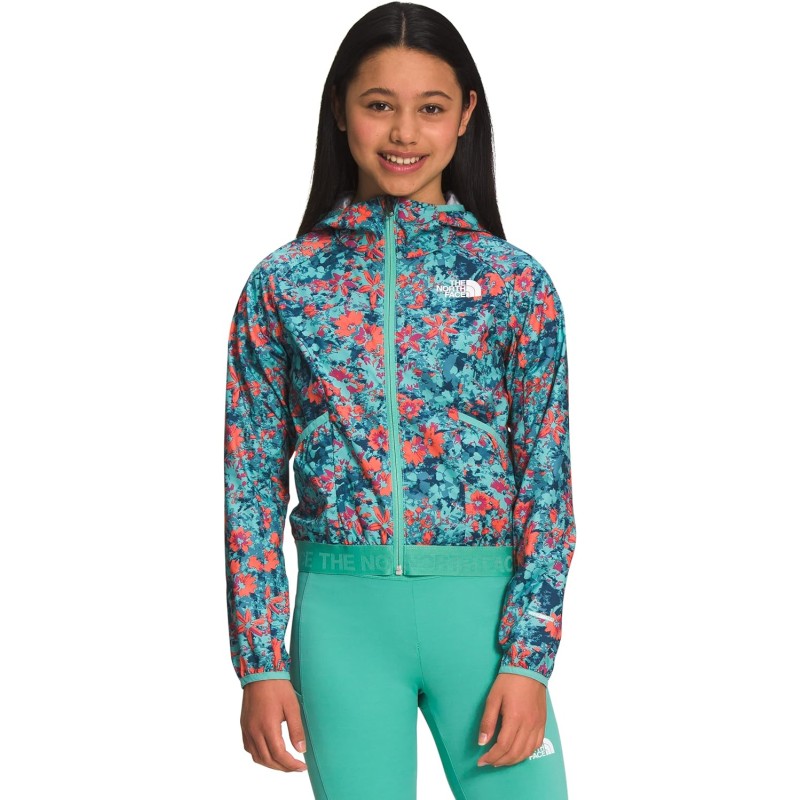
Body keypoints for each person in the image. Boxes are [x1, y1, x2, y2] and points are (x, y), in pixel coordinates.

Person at [223, 3, 577, 798]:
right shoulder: (284, 284)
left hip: (484, 625)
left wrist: (529, 659)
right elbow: (249, 484)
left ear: (466, 117)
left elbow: (546, 482)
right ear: (340, 110)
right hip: (343, 624)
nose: (404, 133)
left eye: (431, 108)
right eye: (379, 104)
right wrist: (260, 663)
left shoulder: (514, 283)